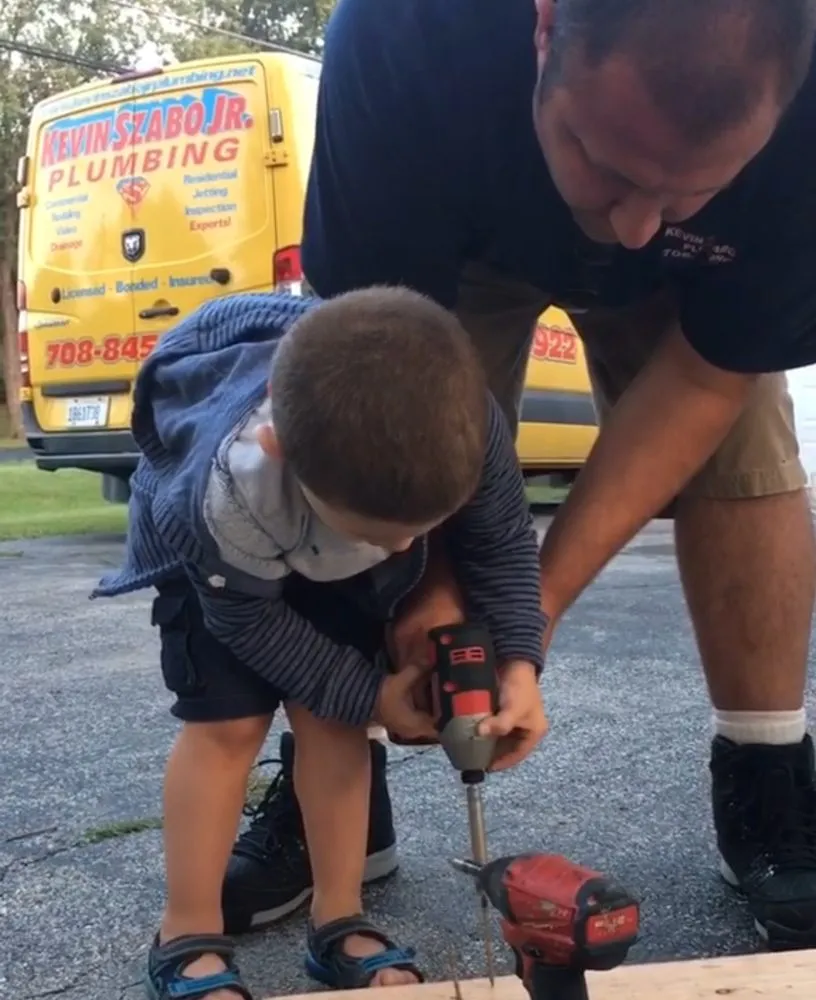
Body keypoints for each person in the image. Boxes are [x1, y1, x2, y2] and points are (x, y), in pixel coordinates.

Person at [221, 0, 816, 951]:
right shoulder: (406, 31)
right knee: (369, 447)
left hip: (695, 283)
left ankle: (769, 776)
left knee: (746, 451)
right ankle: (334, 778)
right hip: (460, 249)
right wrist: (432, 583)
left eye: (686, 187)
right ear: (544, 29)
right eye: (604, 160)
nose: (633, 225)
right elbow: (373, 368)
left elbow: (711, 375)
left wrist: (527, 611)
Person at [93, 287, 548, 1000]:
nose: (404, 549)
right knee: (228, 725)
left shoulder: (463, 418)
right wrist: (372, 692)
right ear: (282, 449)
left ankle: (338, 917)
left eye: (421, 531)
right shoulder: (223, 492)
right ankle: (186, 932)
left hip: (319, 543)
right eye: (380, 533)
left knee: (334, 723)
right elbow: (249, 625)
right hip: (218, 577)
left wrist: (519, 664)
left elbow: (502, 544)